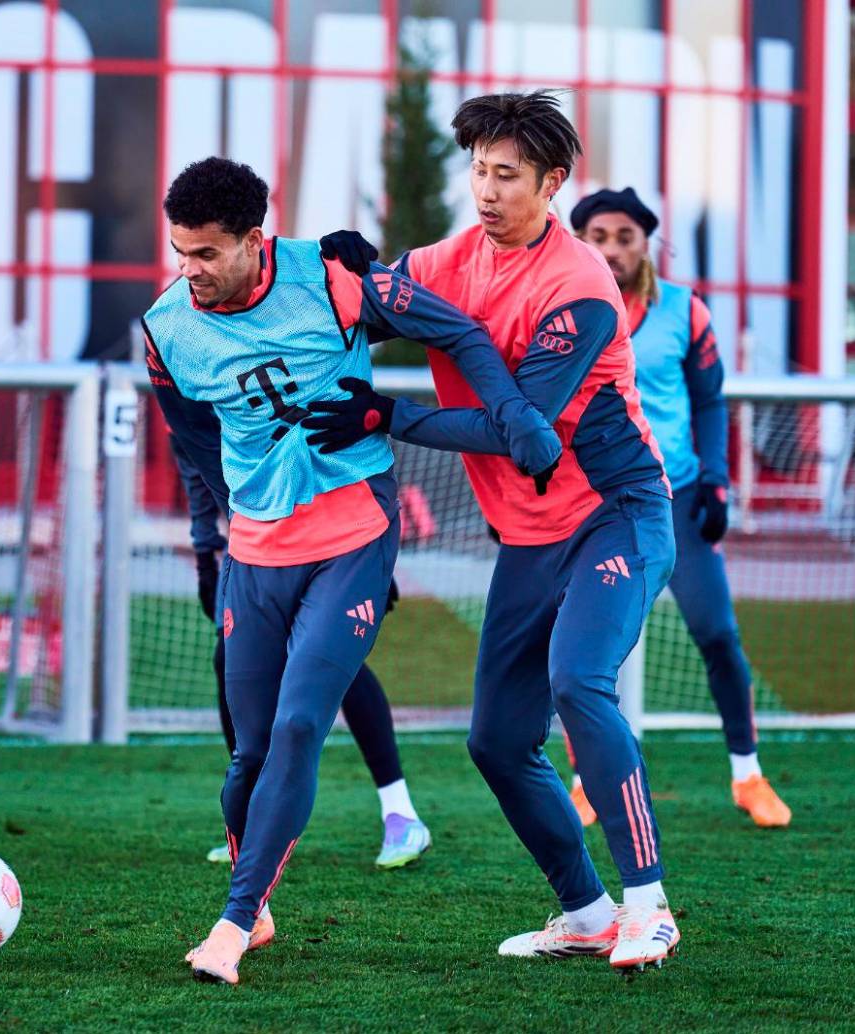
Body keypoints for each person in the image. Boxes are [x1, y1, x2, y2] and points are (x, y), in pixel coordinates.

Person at [143, 156, 557, 984]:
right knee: (248, 760)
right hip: (255, 551)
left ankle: (230, 922)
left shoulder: (332, 283)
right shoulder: (165, 328)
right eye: (179, 252)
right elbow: (190, 441)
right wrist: (206, 538)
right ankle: (256, 908)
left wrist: (513, 415)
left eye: (206, 254)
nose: (189, 271)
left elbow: (459, 331)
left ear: (256, 242)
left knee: (302, 724)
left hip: (354, 535)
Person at [314, 90, 680, 970]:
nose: (486, 189)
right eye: (477, 170)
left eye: (506, 175)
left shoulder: (581, 285)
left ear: (552, 182)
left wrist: (387, 416)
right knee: (494, 741)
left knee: (580, 683)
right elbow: (364, 294)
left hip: (617, 516)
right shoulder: (452, 257)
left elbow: (525, 436)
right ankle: (586, 913)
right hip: (528, 540)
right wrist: (314, 266)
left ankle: (650, 905)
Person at [569, 186, 791, 829]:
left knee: (717, 633)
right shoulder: (563, 306)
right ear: (581, 241)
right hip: (596, 502)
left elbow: (709, 401)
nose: (612, 249)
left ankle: (747, 775)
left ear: (646, 244)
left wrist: (718, 482)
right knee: (588, 650)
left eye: (625, 237)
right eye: (599, 237)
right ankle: (587, 782)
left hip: (678, 498)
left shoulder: (686, 313)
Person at [167, 432, 433, 868]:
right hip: (251, 550)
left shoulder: (270, 374)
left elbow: (331, 450)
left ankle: (401, 813)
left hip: (326, 542)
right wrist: (204, 553)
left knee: (335, 665)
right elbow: (195, 470)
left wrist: (370, 558)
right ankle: (254, 821)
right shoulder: (187, 393)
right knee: (227, 659)